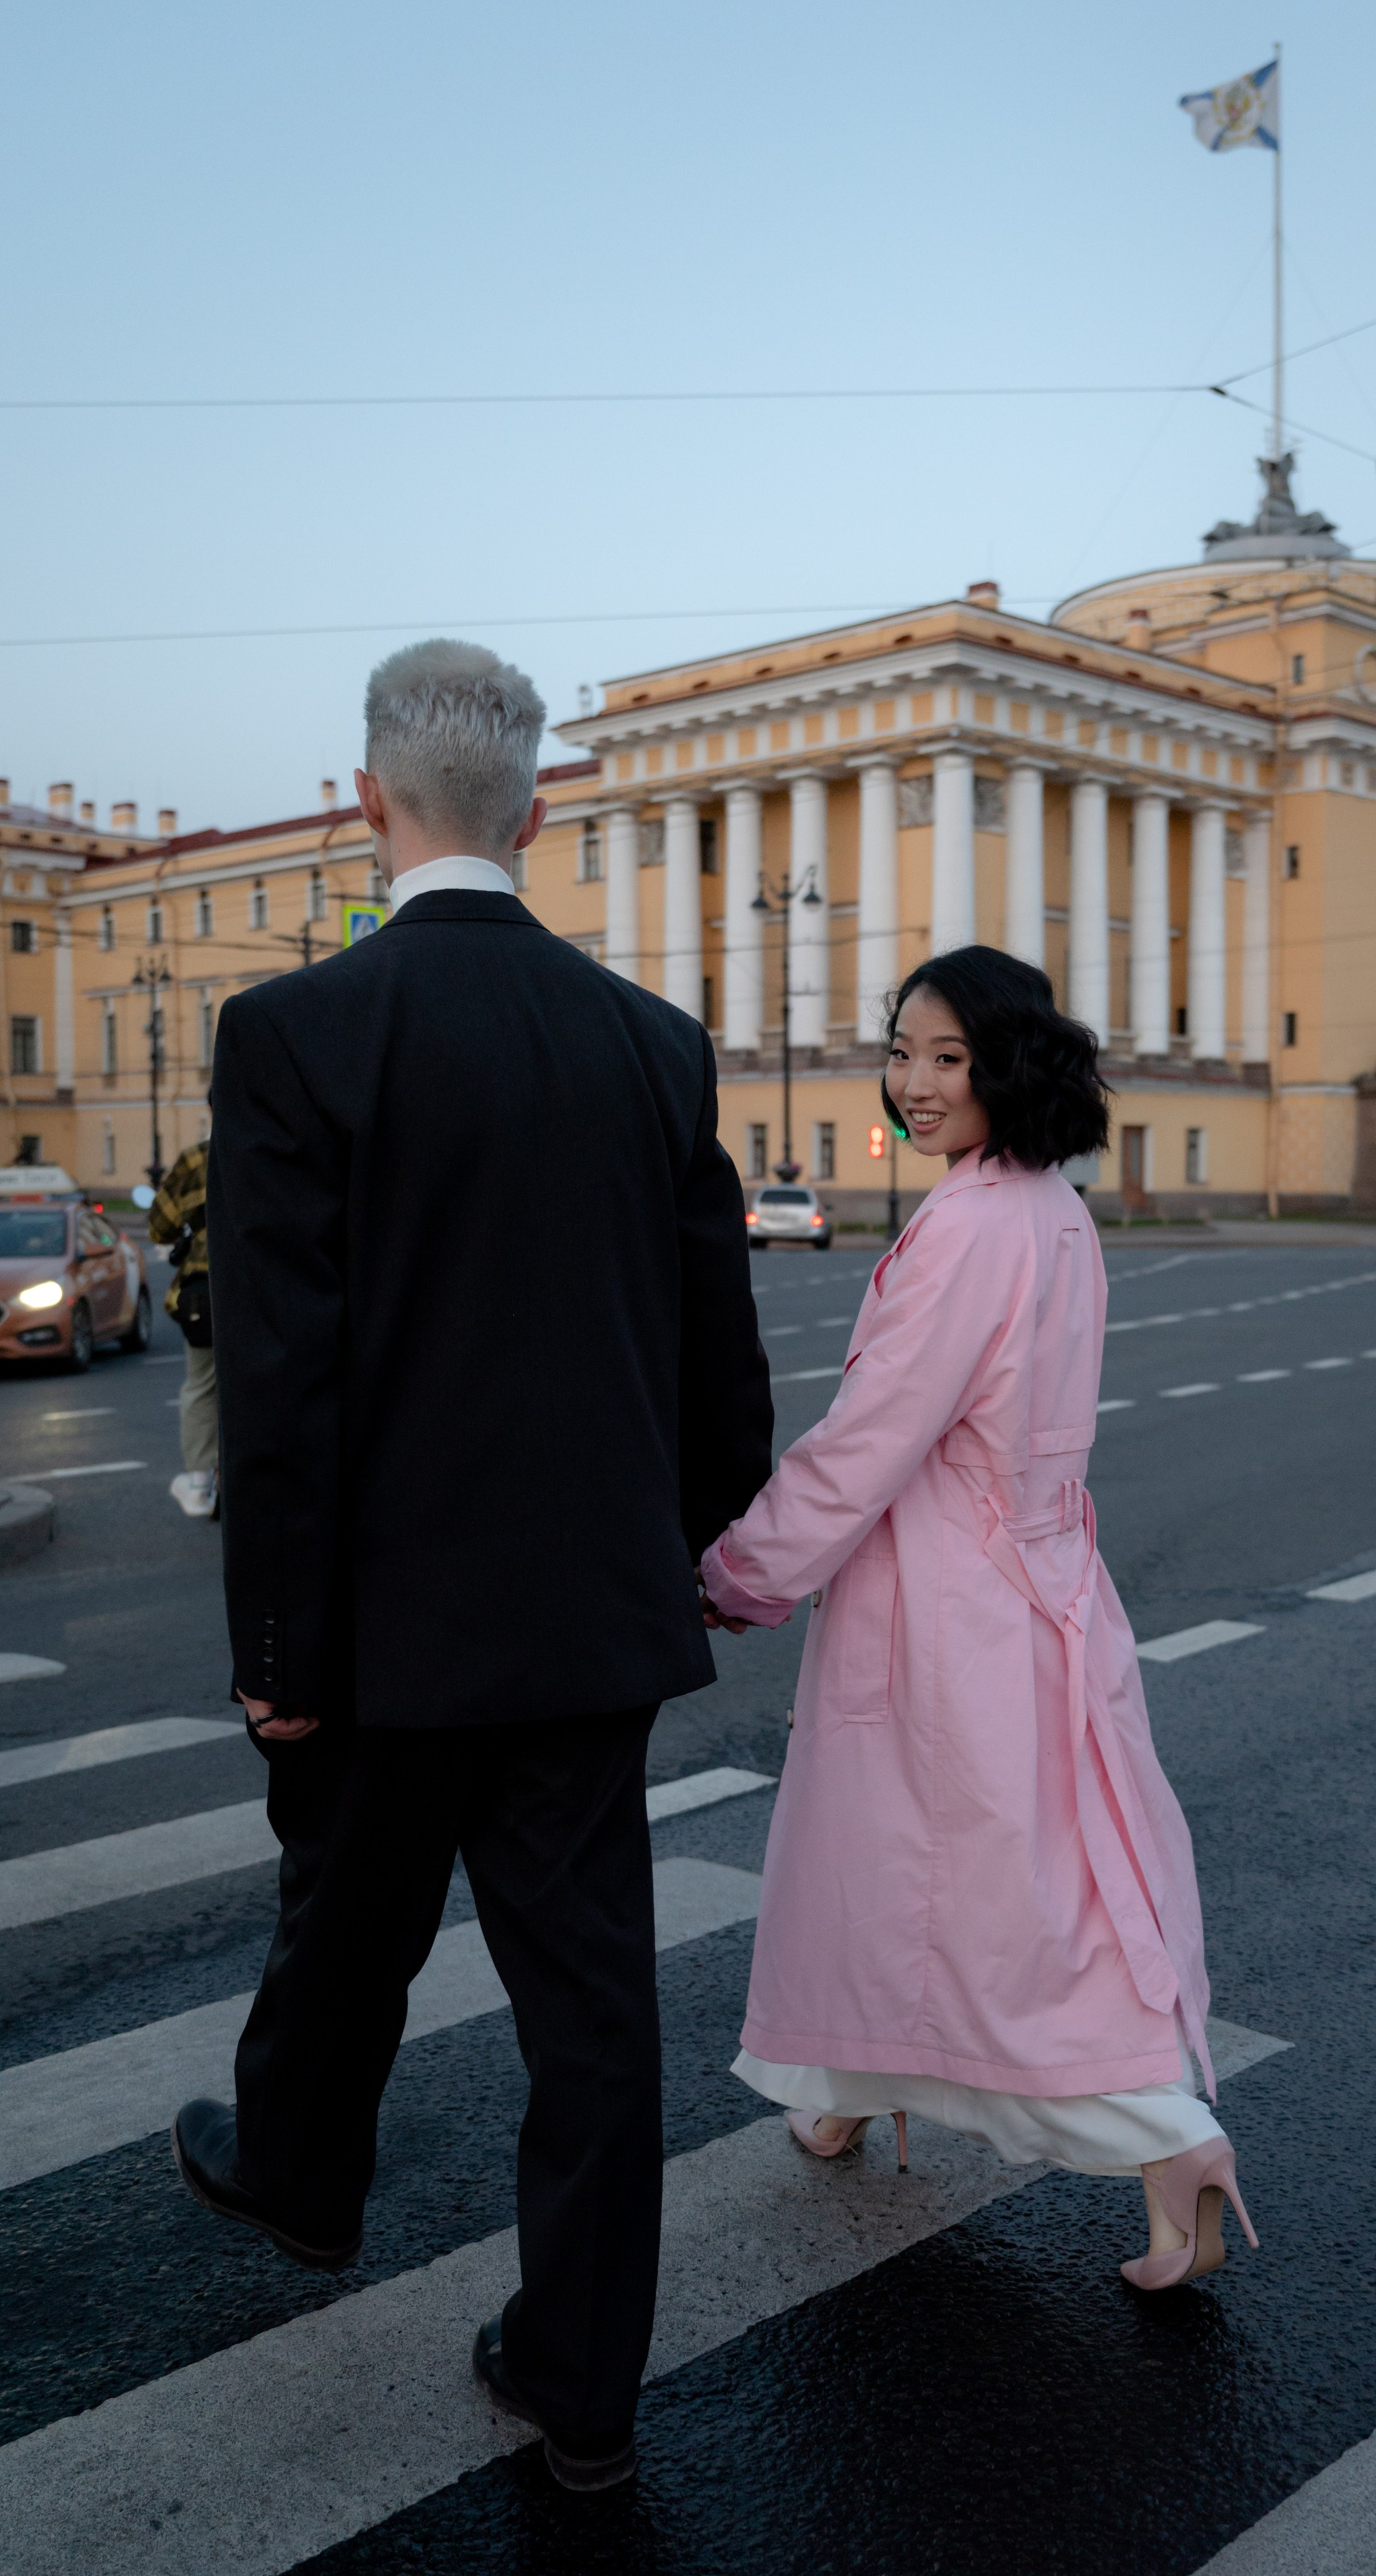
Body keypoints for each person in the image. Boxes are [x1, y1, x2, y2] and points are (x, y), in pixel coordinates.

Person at [173, 639, 772, 2493]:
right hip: (589, 1623)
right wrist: (679, 1547)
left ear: (369, 801)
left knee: (345, 1913)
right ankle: (581, 2383)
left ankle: (300, 2172)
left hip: (379, 1619)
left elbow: (281, 1380)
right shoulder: (651, 1042)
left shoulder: (296, 1031)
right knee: (591, 2005)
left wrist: (276, 1643)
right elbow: (719, 1357)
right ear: (538, 810)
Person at [699, 947, 1257, 2294]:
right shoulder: (1050, 1208)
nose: (914, 1082)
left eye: (947, 1058)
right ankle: (842, 2087)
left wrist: (739, 1569)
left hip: (944, 1606)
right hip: (1039, 1582)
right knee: (930, 1877)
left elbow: (869, 1441)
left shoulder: (969, 1225)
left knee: (966, 1905)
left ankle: (1162, 2135)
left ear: (1006, 1065)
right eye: (901, 1053)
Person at [148, 1134, 218, 1518]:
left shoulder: (199, 1158)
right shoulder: (291, 1142)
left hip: (209, 1289)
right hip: (278, 1287)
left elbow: (160, 1228)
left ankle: (199, 1483)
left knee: (202, 1386)